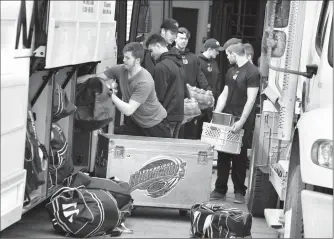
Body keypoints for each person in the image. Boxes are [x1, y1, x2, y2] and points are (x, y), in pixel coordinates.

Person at [77, 42, 171, 138]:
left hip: (156, 126)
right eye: (124, 57)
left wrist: (109, 93)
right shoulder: (121, 69)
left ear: (137, 60)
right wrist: (74, 81)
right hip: (137, 123)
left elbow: (128, 110)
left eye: (128, 58)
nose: (123, 60)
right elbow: (97, 77)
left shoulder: (144, 81)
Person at [211, 43, 260, 204]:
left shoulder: (252, 72)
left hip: (241, 118)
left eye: (227, 54)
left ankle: (239, 190)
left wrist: (242, 121)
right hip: (227, 116)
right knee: (223, 153)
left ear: (234, 54)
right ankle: (220, 189)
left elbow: (251, 99)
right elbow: (224, 94)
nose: (226, 57)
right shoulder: (231, 71)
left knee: (239, 155)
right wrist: (216, 116)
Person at [171, 27, 209, 139]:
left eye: (186, 39)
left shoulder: (193, 58)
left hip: (190, 100)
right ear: (175, 39)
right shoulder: (169, 56)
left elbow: (200, 77)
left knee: (189, 131)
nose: (184, 41)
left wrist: (207, 91)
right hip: (173, 100)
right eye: (181, 38)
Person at [145, 33, 186, 138]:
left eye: (151, 50)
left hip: (165, 116)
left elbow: (158, 95)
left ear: (158, 46)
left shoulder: (161, 67)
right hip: (178, 114)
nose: (151, 54)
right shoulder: (177, 62)